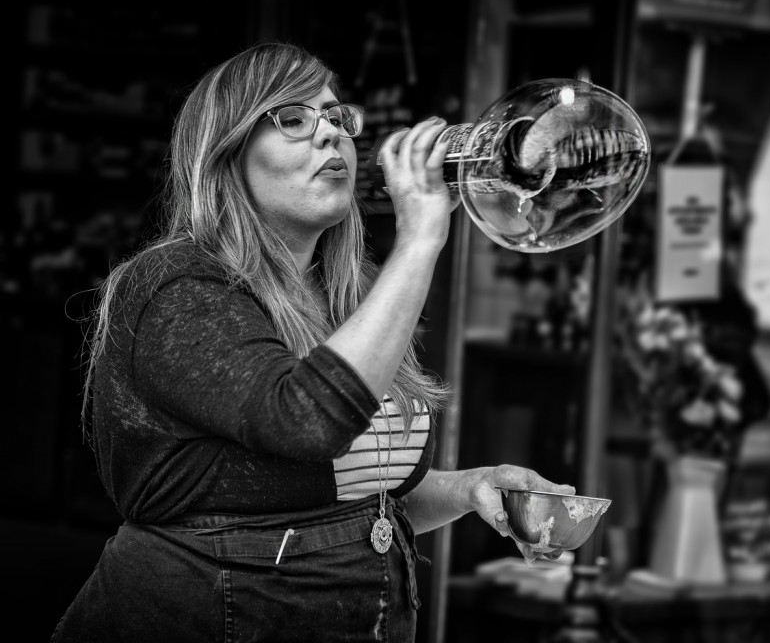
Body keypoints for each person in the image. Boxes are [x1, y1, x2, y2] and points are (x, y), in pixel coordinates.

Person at [52, 42, 573, 642]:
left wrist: (467, 488)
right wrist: (421, 238)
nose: (331, 134)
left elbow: (341, 500)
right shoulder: (175, 286)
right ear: (227, 155)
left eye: (337, 117)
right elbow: (305, 421)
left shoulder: (345, 299)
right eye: (293, 118)